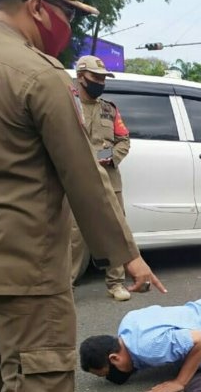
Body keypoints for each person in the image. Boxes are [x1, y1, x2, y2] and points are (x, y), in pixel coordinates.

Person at [0, 0, 166, 391]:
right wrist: (128, 256)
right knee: (42, 378)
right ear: (36, 7)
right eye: (68, 13)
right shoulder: (40, 73)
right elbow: (83, 176)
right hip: (28, 271)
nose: (69, 26)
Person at [69, 55, 132, 301]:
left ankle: (116, 283)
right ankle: (67, 285)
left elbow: (123, 140)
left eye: (103, 79)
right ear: (81, 77)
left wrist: (109, 156)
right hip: (75, 180)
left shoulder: (109, 109)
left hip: (109, 179)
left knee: (115, 230)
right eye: (95, 78)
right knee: (74, 235)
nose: (100, 82)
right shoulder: (67, 105)